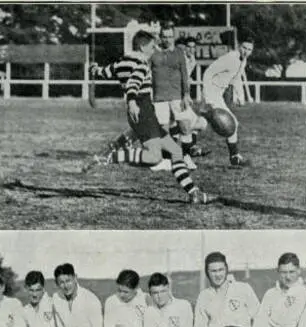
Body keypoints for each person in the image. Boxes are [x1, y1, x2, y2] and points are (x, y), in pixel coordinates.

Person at [88, 30, 213, 204]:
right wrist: (132, 101)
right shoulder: (141, 62)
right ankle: (109, 157)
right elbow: (134, 83)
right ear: (142, 46)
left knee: (176, 151)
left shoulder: (120, 63)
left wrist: (93, 68)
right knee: (154, 157)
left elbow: (103, 71)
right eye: (151, 45)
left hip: (145, 113)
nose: (154, 48)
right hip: (142, 112)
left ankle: (193, 192)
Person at [150, 22, 200, 170]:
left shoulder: (179, 52)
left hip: (178, 96)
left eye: (170, 36)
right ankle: (166, 161)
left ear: (174, 37)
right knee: (163, 130)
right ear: (160, 37)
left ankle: (185, 157)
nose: (168, 39)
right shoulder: (153, 53)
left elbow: (185, 75)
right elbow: (147, 72)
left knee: (185, 126)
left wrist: (186, 94)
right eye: (165, 36)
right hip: (159, 97)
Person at [201, 38, 254, 166]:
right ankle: (234, 156)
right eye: (244, 48)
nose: (246, 51)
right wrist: (208, 97)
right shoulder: (230, 58)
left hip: (218, 93)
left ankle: (188, 149)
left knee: (201, 122)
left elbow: (236, 79)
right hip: (212, 92)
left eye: (249, 49)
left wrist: (240, 96)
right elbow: (208, 72)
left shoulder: (243, 61)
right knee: (232, 123)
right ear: (239, 46)